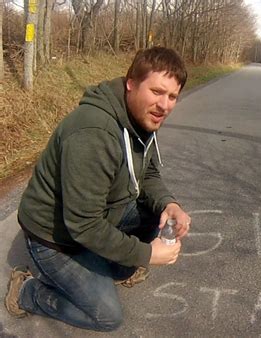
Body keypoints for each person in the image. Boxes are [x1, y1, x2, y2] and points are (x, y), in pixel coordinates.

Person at [4, 47, 191, 331]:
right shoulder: (94, 132)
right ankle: (28, 292)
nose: (164, 105)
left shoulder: (142, 119)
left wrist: (169, 203)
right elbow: (83, 225)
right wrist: (146, 254)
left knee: (155, 212)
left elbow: (148, 173)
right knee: (106, 316)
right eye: (156, 91)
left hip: (96, 215)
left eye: (172, 97)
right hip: (55, 239)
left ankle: (111, 269)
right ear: (131, 83)